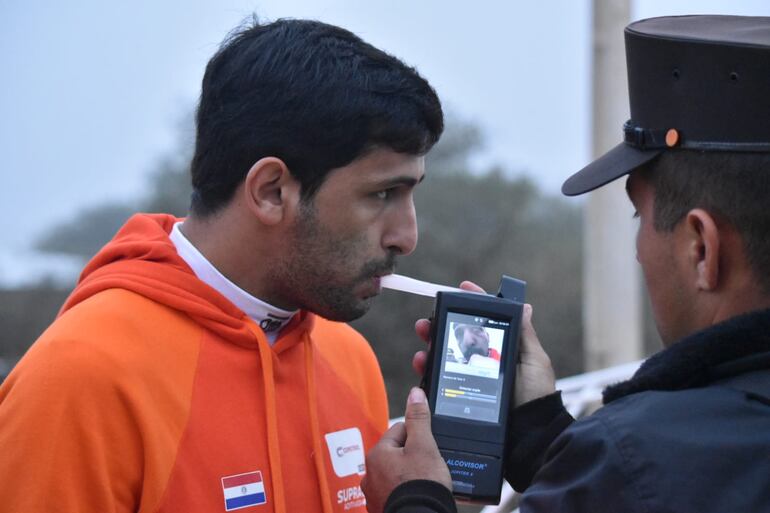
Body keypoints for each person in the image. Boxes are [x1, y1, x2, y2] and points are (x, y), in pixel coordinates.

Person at [0, 18, 443, 513]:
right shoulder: (80, 379)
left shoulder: (347, 357)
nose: (407, 237)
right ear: (271, 191)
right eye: (383, 193)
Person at [361, 14, 770, 513]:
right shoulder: (636, 467)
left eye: (639, 217)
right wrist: (541, 435)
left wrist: (413, 499)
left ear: (701, 249)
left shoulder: (637, 459)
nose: (637, 250)